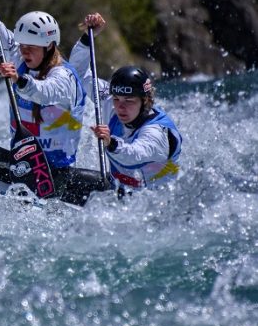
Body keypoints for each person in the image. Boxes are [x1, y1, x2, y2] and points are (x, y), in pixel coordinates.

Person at [0, 0, 105, 205]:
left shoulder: (65, 77)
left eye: (32, 46)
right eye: (22, 45)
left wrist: (19, 81)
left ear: (50, 47)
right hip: (23, 164)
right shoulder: (18, 57)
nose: (24, 51)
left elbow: (44, 92)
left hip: (55, 175)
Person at [69, 13, 183, 193]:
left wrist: (110, 143)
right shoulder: (110, 99)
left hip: (150, 206)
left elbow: (133, 154)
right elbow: (77, 74)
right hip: (116, 192)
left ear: (145, 101)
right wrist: (87, 38)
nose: (120, 106)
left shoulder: (157, 133)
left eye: (129, 101)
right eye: (116, 99)